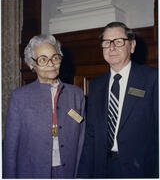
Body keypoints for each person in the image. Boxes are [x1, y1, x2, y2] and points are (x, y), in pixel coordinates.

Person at [77, 22, 158, 178]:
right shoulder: (95, 85)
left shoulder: (153, 79)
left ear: (132, 45)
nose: (112, 48)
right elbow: (91, 135)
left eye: (118, 41)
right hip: (102, 169)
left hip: (140, 170)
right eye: (106, 43)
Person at [3, 35, 86, 179]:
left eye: (55, 57)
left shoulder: (76, 95)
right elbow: (10, 147)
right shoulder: (19, 97)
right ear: (31, 64)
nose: (51, 64)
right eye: (42, 59)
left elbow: (82, 141)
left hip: (68, 172)